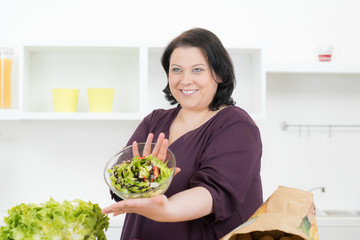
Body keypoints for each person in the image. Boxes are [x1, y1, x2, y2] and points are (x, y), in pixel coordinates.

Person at [102, 27, 263, 240]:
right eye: (176, 70)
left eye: (197, 70)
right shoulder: (154, 121)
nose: (185, 80)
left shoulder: (237, 126)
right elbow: (120, 180)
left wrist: (166, 209)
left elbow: (213, 194)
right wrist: (144, 178)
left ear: (220, 74)